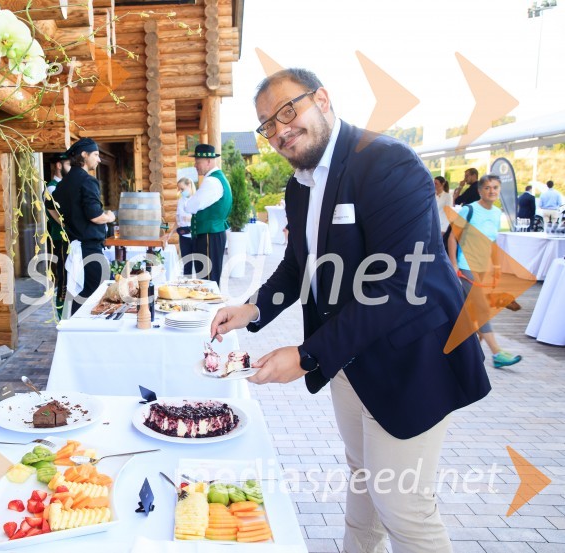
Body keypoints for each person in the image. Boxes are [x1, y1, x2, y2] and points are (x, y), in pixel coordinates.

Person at [210, 68, 489, 553]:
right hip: (348, 360)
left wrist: (306, 355)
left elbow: (400, 285)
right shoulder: (299, 185)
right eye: (266, 125)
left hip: (411, 362)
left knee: (405, 509)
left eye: (287, 112)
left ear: (322, 98)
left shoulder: (388, 163)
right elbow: (301, 265)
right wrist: (251, 310)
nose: (278, 131)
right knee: (363, 479)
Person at [448, 175, 521, 368]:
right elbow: (453, 237)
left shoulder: (497, 213)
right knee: (480, 310)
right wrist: (454, 264)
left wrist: (496, 266)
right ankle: (497, 354)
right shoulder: (469, 210)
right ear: (480, 191)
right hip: (465, 267)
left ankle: (468, 353)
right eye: (487, 188)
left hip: (482, 268)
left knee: (471, 313)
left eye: (495, 188)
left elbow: (492, 241)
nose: (492, 191)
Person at [51, 138, 115, 315]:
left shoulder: (64, 183)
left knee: (81, 295)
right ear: (84, 155)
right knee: (99, 294)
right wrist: (109, 217)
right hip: (89, 249)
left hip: (76, 247)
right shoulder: (88, 181)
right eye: (95, 154)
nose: (99, 159)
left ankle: (78, 331)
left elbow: (49, 204)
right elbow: (95, 216)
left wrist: (65, 223)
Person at [184, 144, 232, 283]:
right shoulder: (217, 178)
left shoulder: (211, 181)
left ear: (209, 161)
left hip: (208, 236)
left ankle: (212, 305)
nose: (195, 165)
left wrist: (187, 202)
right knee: (209, 278)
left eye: (198, 162)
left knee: (207, 280)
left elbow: (191, 206)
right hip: (211, 234)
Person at [44, 153, 71, 316]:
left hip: (67, 238)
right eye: (68, 164)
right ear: (59, 166)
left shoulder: (63, 185)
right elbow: (60, 216)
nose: (71, 168)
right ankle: (61, 315)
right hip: (60, 238)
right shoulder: (52, 188)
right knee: (63, 276)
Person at [175, 177, 196, 277]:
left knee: (198, 263)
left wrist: (190, 218)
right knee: (186, 264)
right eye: (179, 189)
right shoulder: (180, 201)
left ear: (189, 185)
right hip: (183, 236)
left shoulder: (197, 199)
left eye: (182, 189)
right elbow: (178, 219)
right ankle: (187, 286)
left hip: (195, 235)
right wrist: (169, 235)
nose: (181, 191)